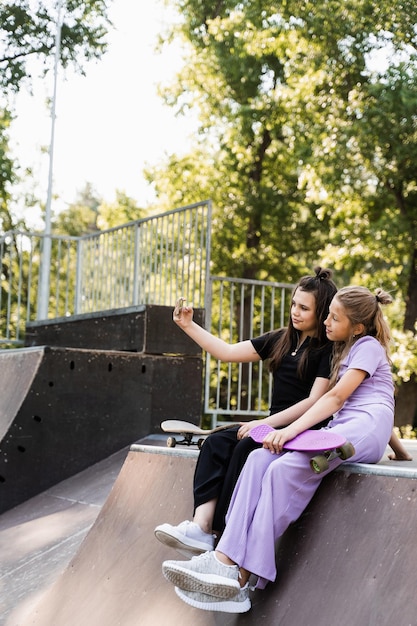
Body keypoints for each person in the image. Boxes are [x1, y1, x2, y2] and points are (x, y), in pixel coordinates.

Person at [161, 286, 402, 613]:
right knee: (260, 458)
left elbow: (341, 401)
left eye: (334, 317)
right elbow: (373, 405)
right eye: (327, 313)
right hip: (346, 428)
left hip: (360, 429)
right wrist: (401, 453)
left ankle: (244, 581)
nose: (326, 321)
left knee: (282, 470)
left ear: (358, 326)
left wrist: (287, 430)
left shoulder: (368, 346)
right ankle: (223, 558)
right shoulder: (341, 349)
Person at [155, 267, 339, 556]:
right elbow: (226, 352)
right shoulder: (281, 339)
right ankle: (201, 528)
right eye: (294, 304)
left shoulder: (327, 351)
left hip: (303, 428)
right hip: (271, 424)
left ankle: (223, 536)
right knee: (217, 442)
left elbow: (315, 401)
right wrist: (188, 325)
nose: (295, 312)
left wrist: (263, 424)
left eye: (304, 308)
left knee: (244, 448)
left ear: (322, 311)